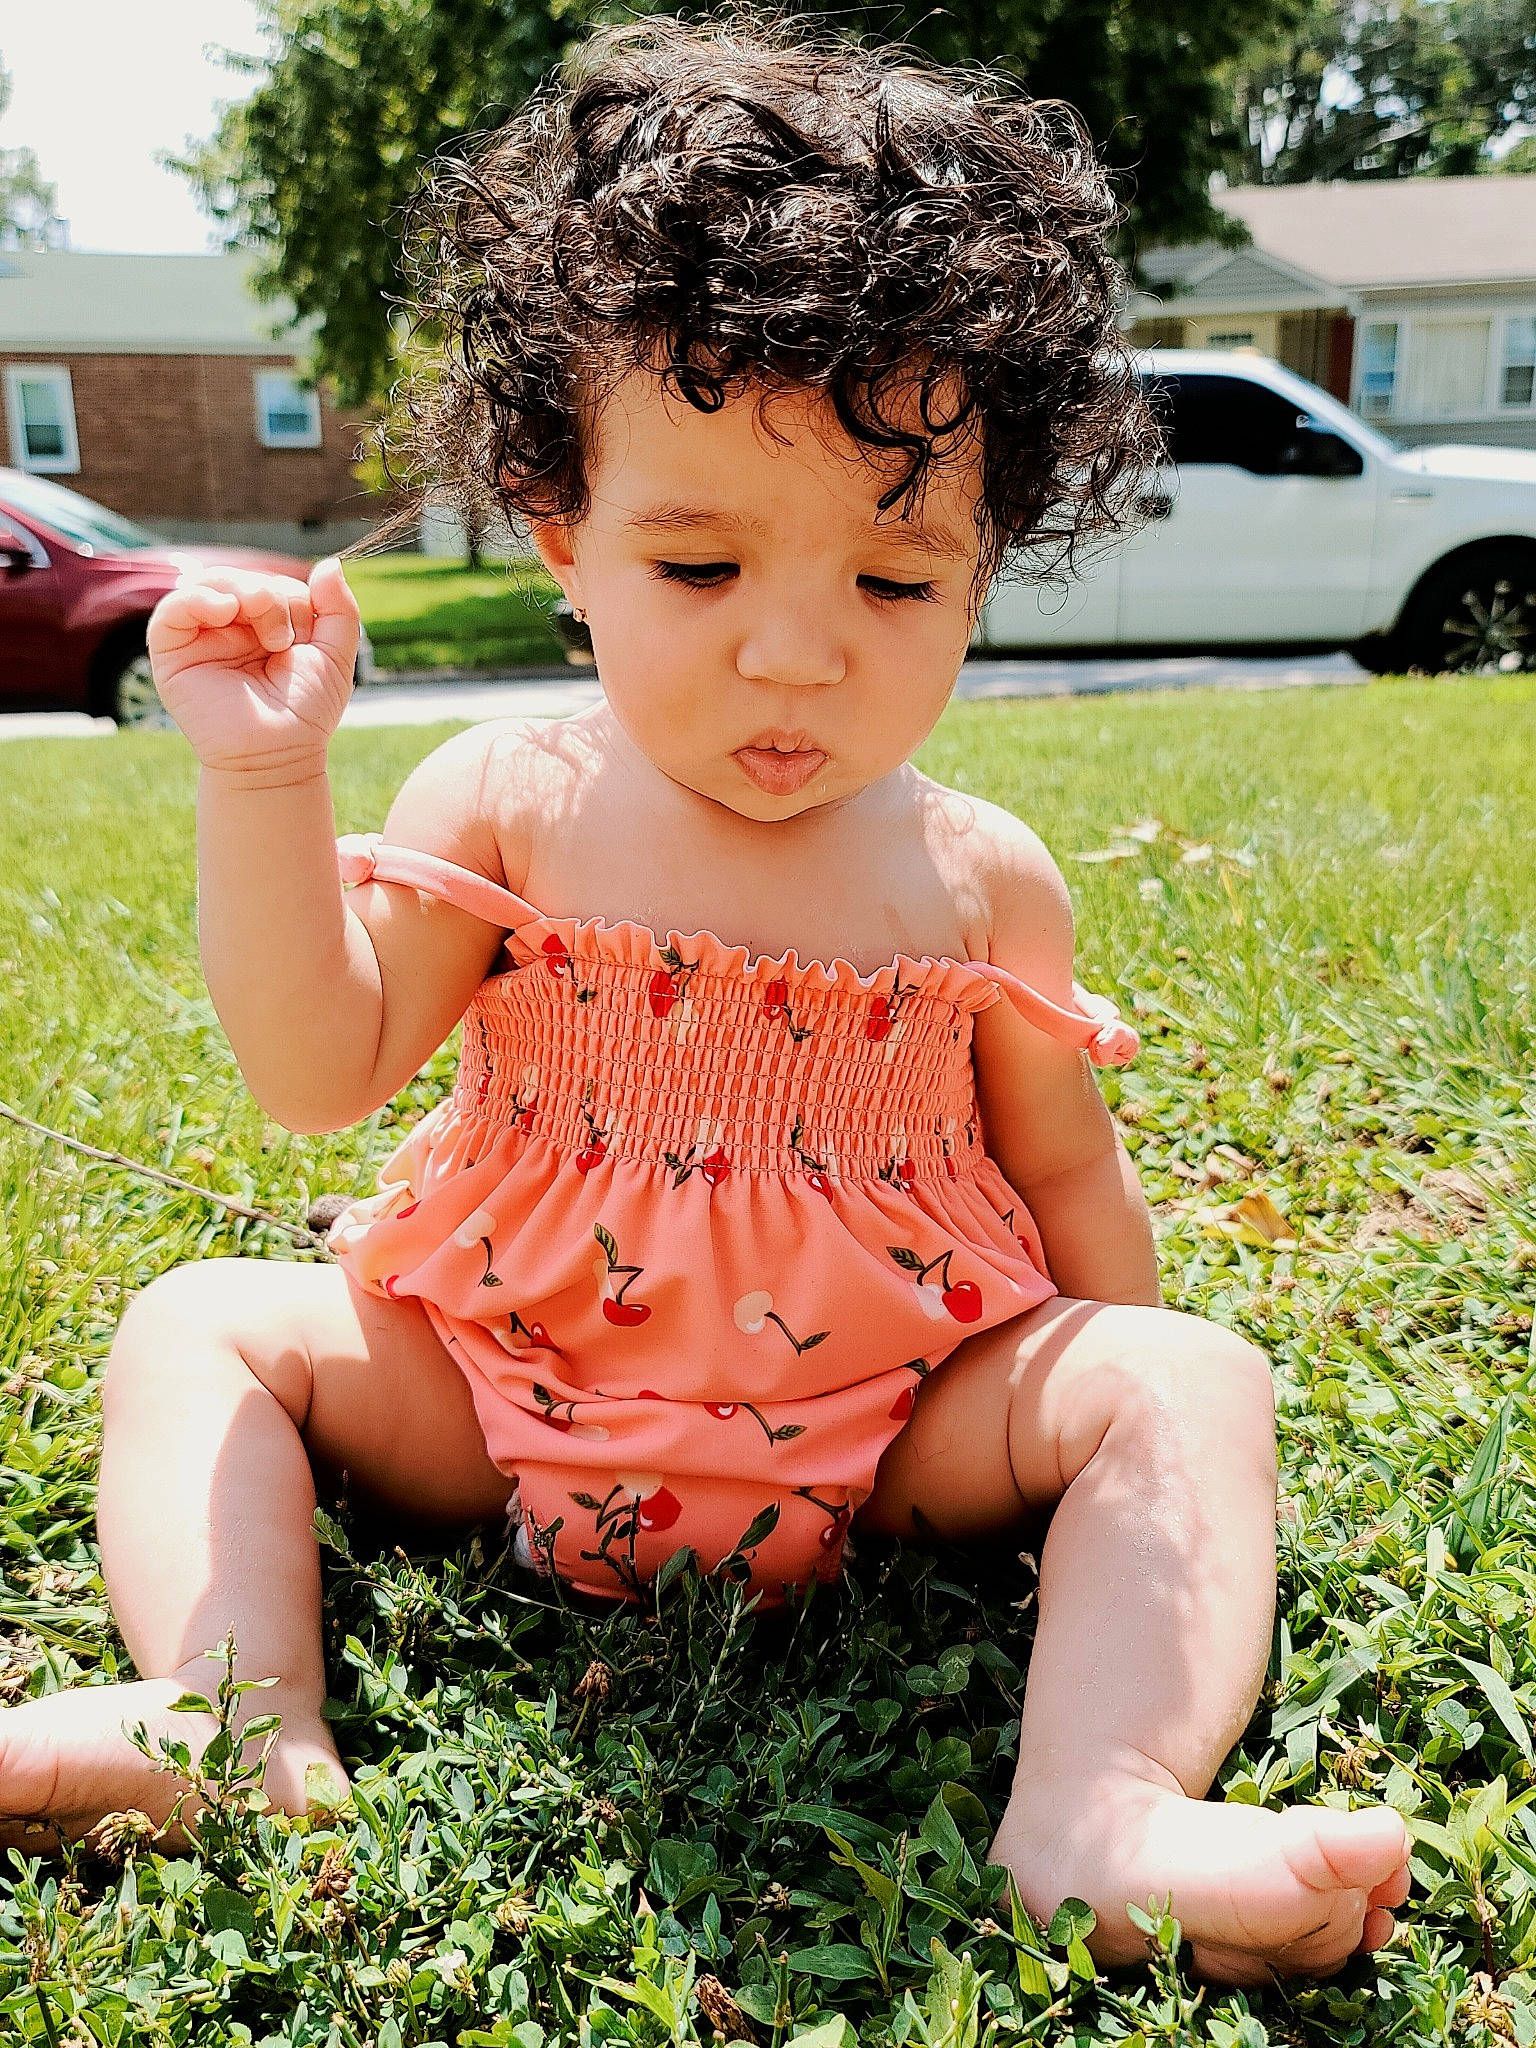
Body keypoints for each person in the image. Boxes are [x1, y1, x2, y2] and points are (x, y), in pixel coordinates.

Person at [0, 6, 1410, 1984]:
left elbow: (1077, 1195)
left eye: (895, 587)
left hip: (896, 1425)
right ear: (562, 528)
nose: (794, 663)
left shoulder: (981, 872)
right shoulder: (506, 795)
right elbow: (319, 1073)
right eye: (698, 567)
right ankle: (228, 1724)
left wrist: (1129, 1430)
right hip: (496, 1398)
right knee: (200, 1323)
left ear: (993, 562)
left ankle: (1100, 1806)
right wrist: (259, 777)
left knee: (1192, 1380)